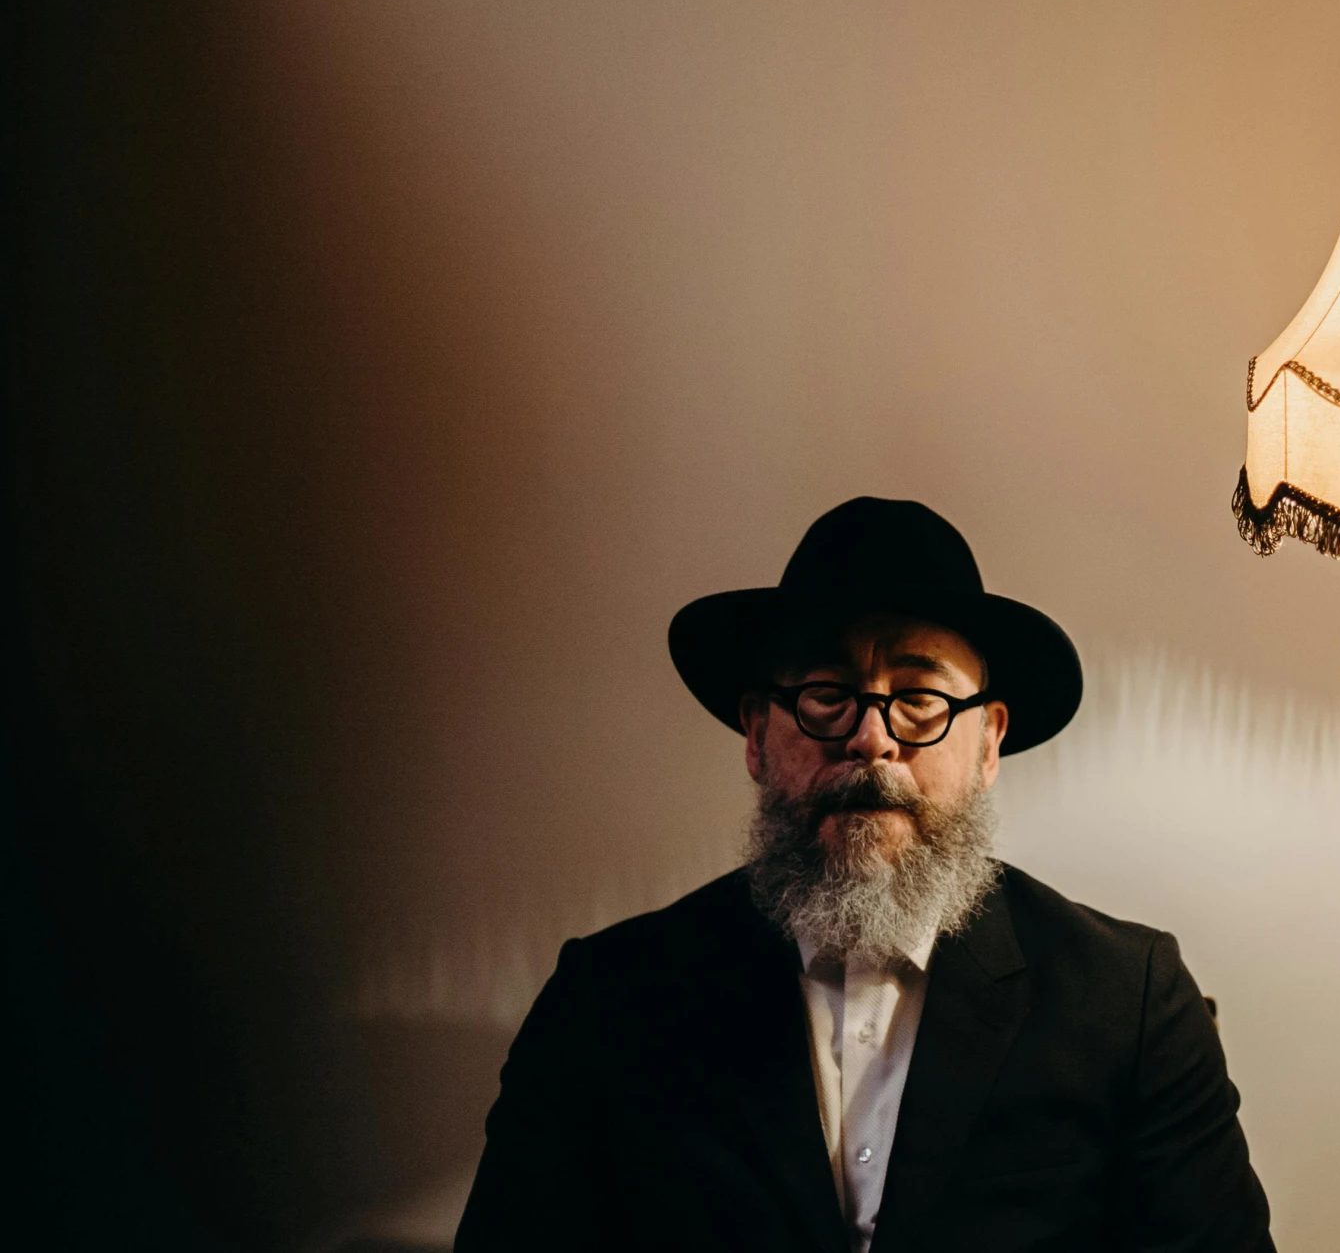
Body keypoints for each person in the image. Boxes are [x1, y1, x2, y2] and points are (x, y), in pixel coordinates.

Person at [455, 497, 1273, 1253]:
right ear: (756, 733)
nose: (871, 738)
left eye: (919, 697)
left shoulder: (1129, 1002)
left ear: (988, 743)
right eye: (824, 694)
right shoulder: (605, 1001)